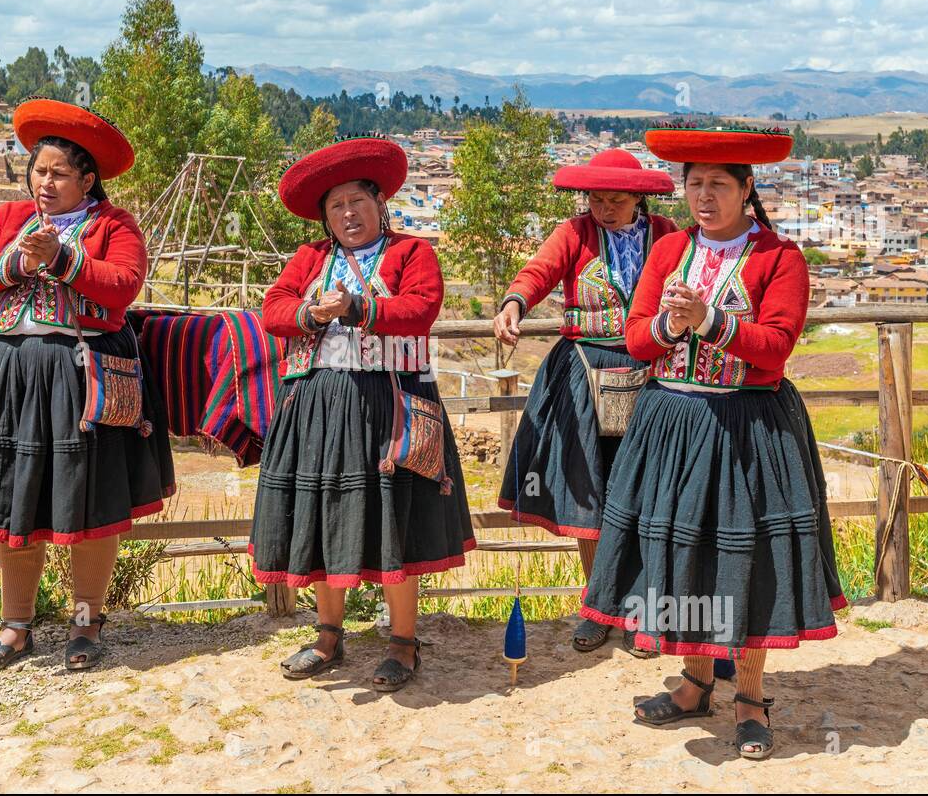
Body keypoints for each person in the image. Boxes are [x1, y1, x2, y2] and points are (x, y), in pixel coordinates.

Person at [577, 125, 847, 760]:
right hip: (672, 424)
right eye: (694, 183)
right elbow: (637, 338)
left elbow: (774, 351)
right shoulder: (670, 255)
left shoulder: (779, 259)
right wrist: (670, 326)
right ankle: (697, 680)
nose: (703, 195)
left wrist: (713, 322)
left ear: (746, 189)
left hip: (748, 427)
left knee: (744, 562)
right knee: (688, 553)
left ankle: (750, 699)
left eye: (718, 184)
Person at [0, 98, 175, 673]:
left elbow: (122, 285)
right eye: (39, 170)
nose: (45, 181)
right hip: (6, 378)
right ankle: (16, 626)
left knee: (87, 500)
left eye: (59, 172)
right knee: (16, 499)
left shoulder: (115, 226)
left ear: (87, 179)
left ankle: (86, 623)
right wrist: (18, 262)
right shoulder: (6, 218)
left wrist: (64, 259)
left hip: (79, 377)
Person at [249, 135, 476, 692]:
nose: (348, 213)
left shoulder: (412, 253)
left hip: (387, 403)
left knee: (391, 516)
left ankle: (403, 642)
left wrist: (356, 307)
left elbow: (420, 308)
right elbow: (273, 308)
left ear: (380, 204)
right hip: (321, 406)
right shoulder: (309, 260)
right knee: (328, 512)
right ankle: (328, 634)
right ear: (326, 217)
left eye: (357, 201)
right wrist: (309, 311)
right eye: (335, 205)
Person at [492, 149, 677, 655]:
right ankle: (598, 606)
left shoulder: (667, 235)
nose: (604, 209)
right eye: (595, 199)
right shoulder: (573, 234)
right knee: (588, 491)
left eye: (616, 200)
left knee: (643, 492)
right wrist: (514, 303)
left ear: (639, 198)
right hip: (583, 374)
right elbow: (538, 272)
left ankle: (643, 610)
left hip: (654, 370)